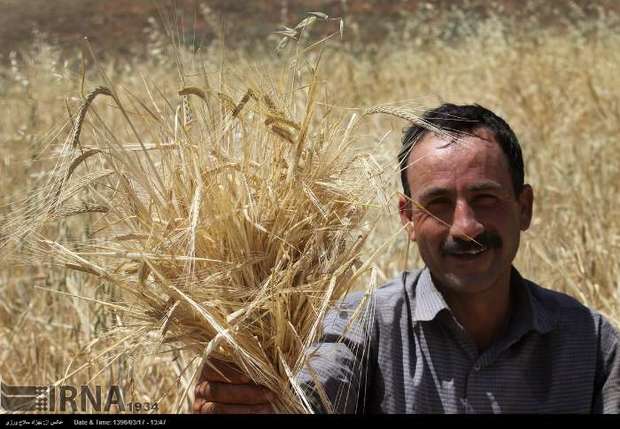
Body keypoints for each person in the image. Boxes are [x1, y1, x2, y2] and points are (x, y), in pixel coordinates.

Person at [193, 103, 620, 414]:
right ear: (408, 218)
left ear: (523, 207)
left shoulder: (593, 344)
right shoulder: (364, 325)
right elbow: (309, 396)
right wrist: (250, 398)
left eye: (484, 198)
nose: (465, 227)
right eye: (438, 203)